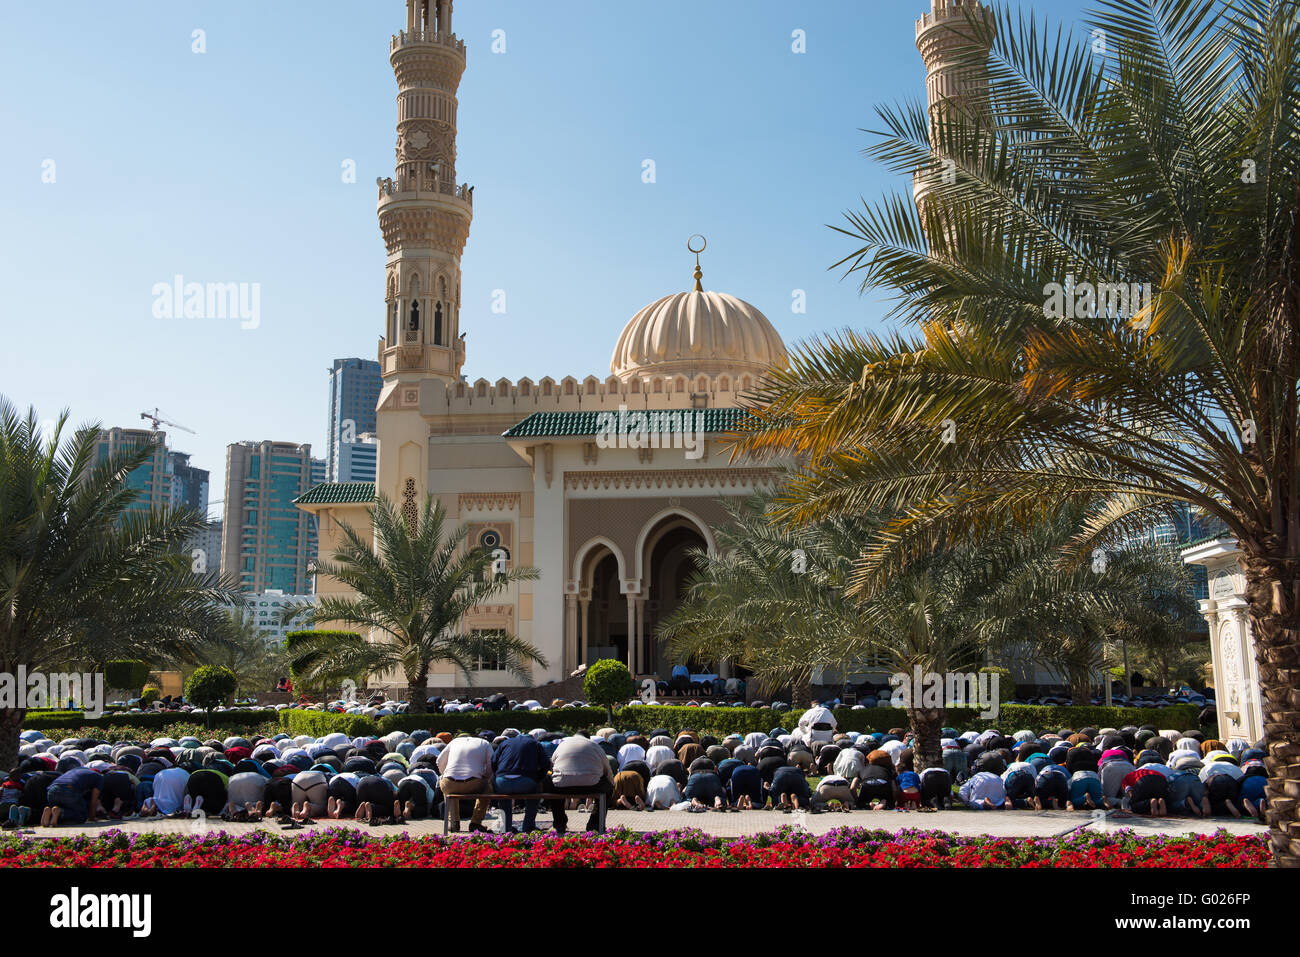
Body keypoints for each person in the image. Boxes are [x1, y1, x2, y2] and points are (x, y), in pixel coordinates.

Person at [547, 734, 614, 833]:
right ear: (587, 738)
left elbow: (552, 766)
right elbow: (607, 770)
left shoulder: (562, 745)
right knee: (608, 788)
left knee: (553, 785)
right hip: (591, 785)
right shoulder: (594, 745)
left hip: (562, 786)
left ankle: (559, 823)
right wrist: (611, 785)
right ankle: (595, 825)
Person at [436, 733, 494, 832]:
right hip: (474, 783)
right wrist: (485, 778)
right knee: (489, 787)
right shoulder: (485, 743)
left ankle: (453, 822)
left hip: (449, 783)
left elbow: (439, 761)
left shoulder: (454, 742)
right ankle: (476, 822)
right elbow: (491, 764)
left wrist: (446, 774)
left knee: (448, 789)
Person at [493, 731, 549, 832]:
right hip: (525, 782)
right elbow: (546, 765)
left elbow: (493, 762)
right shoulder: (535, 744)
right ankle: (528, 826)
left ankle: (506, 827)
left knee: (504, 798)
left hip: (502, 782)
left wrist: (498, 776)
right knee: (536, 790)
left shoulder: (505, 743)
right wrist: (538, 779)